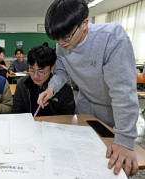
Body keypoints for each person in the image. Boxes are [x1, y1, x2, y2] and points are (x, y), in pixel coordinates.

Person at [38, 0, 139, 177]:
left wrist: (124, 140)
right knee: (83, 160)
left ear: (84, 24)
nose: (61, 43)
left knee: (110, 163)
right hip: (85, 108)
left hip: (114, 112)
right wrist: (51, 89)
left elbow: (123, 92)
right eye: (56, 38)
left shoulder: (112, 38)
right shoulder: (63, 44)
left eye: (66, 37)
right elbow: (61, 71)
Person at [13, 45, 75, 116]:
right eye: (32, 70)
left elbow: (67, 118)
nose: (36, 76)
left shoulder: (64, 89)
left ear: (52, 68)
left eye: (41, 71)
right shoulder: (22, 84)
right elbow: (17, 112)